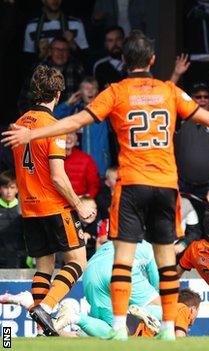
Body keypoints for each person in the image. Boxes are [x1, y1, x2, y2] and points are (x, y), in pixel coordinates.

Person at [2, 30, 209, 341]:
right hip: (164, 184)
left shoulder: (116, 92)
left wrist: (30, 134)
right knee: (165, 260)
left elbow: (76, 122)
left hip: (129, 185)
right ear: (153, 60)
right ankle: (170, 330)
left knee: (123, 258)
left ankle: (118, 328)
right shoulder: (169, 91)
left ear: (123, 60)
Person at [9, 65, 95, 336]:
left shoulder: (20, 124)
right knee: (78, 261)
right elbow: (58, 177)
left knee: (44, 267)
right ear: (58, 93)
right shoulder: (54, 127)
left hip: (30, 208)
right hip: (53, 205)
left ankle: (41, 329)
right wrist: (79, 205)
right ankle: (45, 306)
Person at [53, 240, 161, 337]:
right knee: (161, 306)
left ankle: (74, 316)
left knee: (115, 331)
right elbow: (157, 283)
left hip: (90, 274)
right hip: (118, 269)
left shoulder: (113, 242)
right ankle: (142, 310)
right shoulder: (151, 249)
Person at [23, 0, 89, 60]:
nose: (55, 1)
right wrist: (41, 54)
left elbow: (85, 58)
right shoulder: (32, 26)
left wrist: (72, 44)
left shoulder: (76, 23)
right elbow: (27, 60)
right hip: (44, 71)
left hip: (69, 71)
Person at [126, 288, 201, 337]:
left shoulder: (172, 312)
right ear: (193, 309)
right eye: (198, 311)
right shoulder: (183, 308)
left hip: (131, 324)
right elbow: (180, 338)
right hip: (133, 323)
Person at [0, 171, 25, 268]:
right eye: (5, 187)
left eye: (12, 187)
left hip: (19, 258)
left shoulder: (23, 209)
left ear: (17, 189)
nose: (9, 191)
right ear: (0, 189)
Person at [64, 132, 100, 199]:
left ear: (76, 138)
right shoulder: (49, 157)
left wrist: (86, 202)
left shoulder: (86, 159)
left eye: (72, 133)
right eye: (64, 133)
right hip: (56, 204)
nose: (68, 137)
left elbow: (93, 186)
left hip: (80, 202)